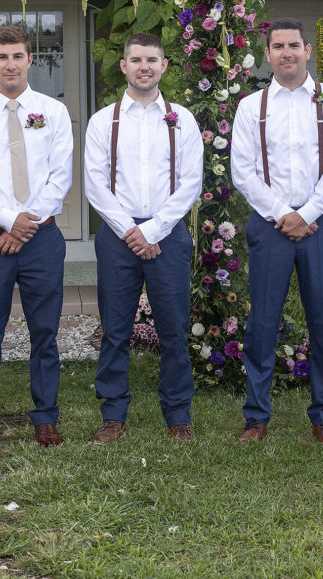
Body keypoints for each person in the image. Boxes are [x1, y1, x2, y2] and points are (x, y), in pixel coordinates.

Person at [231, 18, 323, 445]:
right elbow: (243, 172)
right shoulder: (252, 107)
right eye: (279, 46)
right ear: (267, 54)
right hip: (270, 227)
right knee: (262, 323)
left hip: (320, 226)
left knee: (322, 322)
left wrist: (309, 213)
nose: (287, 52)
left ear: (307, 51)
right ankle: (256, 418)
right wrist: (284, 214)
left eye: (294, 45)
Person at [0, 24, 73, 451]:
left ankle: (45, 418)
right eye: (2, 57)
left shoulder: (52, 112)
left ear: (31, 60)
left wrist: (26, 226)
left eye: (18, 56)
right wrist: (9, 221)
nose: (10, 64)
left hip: (42, 239)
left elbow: (60, 178)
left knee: (45, 331)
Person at [84, 32, 203, 442]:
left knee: (173, 328)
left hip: (167, 233)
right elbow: (95, 185)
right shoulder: (104, 121)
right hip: (118, 234)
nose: (144, 67)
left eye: (152, 60)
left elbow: (190, 183)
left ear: (164, 66)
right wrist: (131, 232)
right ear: (124, 66)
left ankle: (177, 415)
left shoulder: (182, 119)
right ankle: (113, 413)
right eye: (136, 60)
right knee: (115, 329)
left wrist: (153, 230)